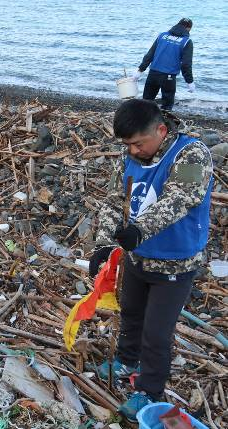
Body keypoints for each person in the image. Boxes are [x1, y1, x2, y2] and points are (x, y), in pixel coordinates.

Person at [89, 99, 213, 421]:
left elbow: (181, 197)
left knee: (157, 332)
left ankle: (150, 390)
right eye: (127, 145)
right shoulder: (130, 154)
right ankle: (127, 360)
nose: (132, 151)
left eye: (138, 144)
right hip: (137, 259)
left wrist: (139, 229)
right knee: (130, 313)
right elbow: (116, 199)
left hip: (175, 263)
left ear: (160, 130)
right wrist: (103, 245)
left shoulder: (192, 154)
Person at [132, 18, 194, 111]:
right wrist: (189, 81)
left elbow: (150, 55)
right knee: (167, 106)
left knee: (146, 102)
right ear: (188, 28)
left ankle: (142, 123)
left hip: (153, 74)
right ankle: (163, 124)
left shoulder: (162, 36)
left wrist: (140, 70)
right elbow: (186, 64)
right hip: (168, 77)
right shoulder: (186, 42)